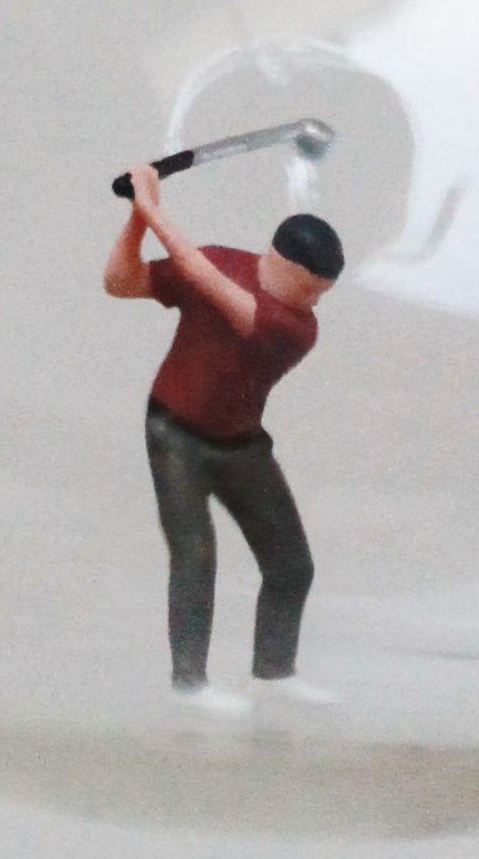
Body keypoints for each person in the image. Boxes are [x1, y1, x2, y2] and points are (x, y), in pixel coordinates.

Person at [104, 161, 344, 717]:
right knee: (195, 558)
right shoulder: (219, 261)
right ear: (279, 261)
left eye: (323, 294)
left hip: (241, 443)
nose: (314, 302)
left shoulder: (294, 327)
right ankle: (189, 684)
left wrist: (149, 204)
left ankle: (274, 673)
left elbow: (207, 282)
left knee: (292, 566)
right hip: (175, 432)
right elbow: (121, 282)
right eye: (310, 287)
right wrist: (137, 218)